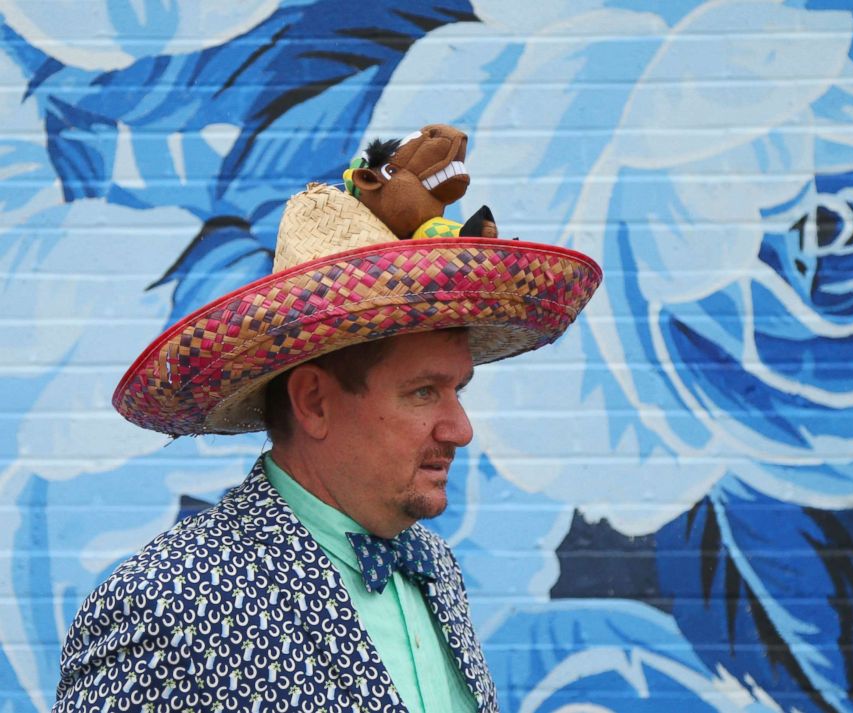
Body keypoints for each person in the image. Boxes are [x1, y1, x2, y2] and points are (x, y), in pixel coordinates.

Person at [52, 179, 600, 712]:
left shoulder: (432, 564)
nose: (460, 428)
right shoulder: (166, 602)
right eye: (424, 392)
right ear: (313, 402)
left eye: (457, 390)